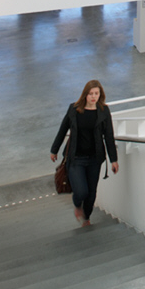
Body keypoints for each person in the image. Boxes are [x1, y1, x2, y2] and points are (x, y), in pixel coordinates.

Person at [50, 79, 119, 226]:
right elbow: (63, 130)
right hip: (76, 158)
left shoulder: (104, 111)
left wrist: (113, 160)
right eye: (90, 93)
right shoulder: (74, 109)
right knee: (81, 192)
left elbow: (109, 136)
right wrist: (54, 150)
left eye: (96, 93)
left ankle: (86, 218)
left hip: (95, 159)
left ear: (100, 94)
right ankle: (77, 205)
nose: (93, 97)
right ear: (85, 94)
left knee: (91, 194)